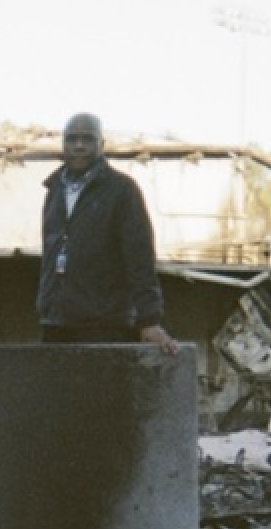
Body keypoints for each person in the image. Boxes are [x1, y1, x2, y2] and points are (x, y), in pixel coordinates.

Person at [37, 112, 180, 353]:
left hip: (104, 324)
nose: (79, 146)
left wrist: (149, 320)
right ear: (63, 145)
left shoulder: (121, 190)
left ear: (101, 145)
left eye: (87, 139)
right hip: (56, 323)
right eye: (72, 139)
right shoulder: (54, 190)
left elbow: (140, 258)